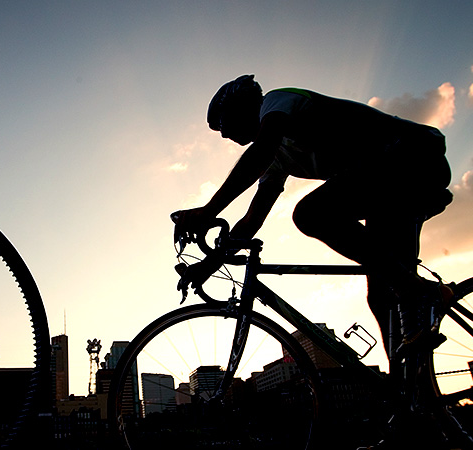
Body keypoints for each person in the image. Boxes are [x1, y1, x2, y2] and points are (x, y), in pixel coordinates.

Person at [172, 74, 454, 356]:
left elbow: (260, 151)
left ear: (243, 106)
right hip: (388, 187)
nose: (223, 135)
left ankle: (418, 292)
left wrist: (209, 211)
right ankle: (409, 391)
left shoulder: (279, 101)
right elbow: (251, 222)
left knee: (311, 213)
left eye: (222, 123)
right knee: (383, 295)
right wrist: (207, 266)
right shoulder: (277, 156)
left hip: (415, 154)